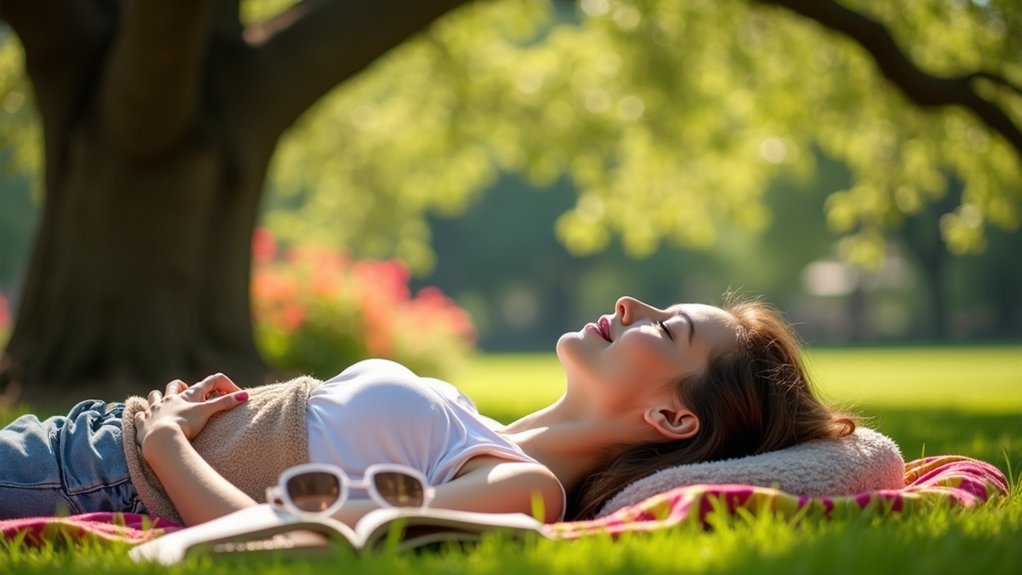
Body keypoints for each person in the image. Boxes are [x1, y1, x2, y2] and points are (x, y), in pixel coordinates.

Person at [0, 295, 856, 526]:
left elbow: (283, 542)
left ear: (673, 420)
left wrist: (167, 446)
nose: (632, 304)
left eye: (666, 328)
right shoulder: (473, 423)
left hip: (91, 477)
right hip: (86, 438)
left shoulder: (522, 487)